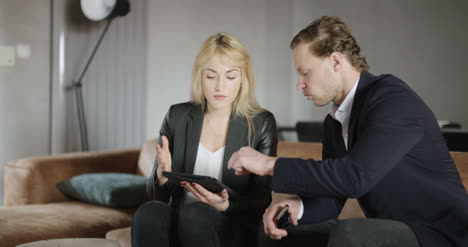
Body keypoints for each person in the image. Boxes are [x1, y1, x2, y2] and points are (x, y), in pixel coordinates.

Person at [228, 16, 468, 247]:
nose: (300, 85)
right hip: (390, 227)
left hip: (440, 233)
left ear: (335, 61)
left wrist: (269, 164)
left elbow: (354, 177)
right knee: (280, 232)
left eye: (305, 72)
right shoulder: (334, 122)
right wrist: (297, 207)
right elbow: (335, 193)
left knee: (351, 233)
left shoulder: (392, 98)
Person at [131, 32, 277, 247]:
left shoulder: (261, 123)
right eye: (211, 76)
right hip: (182, 215)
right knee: (149, 212)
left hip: (230, 223)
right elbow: (155, 196)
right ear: (200, 76)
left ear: (243, 78)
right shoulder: (177, 116)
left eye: (230, 76)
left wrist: (225, 205)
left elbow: (261, 198)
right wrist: (162, 176)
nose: (220, 86)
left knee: (196, 213)